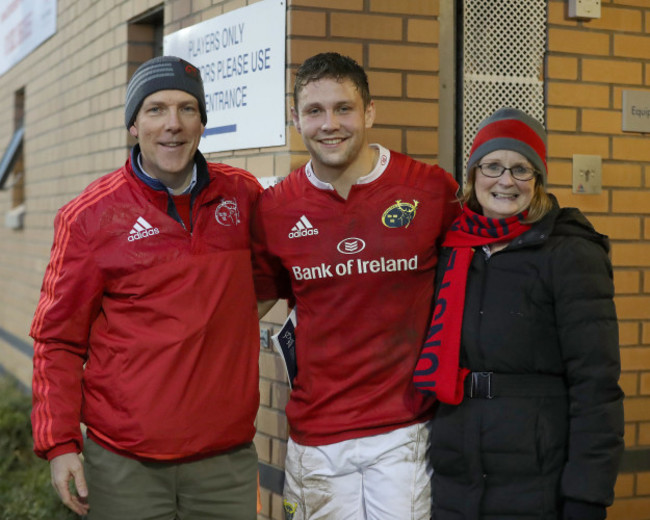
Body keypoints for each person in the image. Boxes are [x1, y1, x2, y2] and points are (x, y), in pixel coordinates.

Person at [30, 56, 262, 519]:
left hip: (225, 464)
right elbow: (58, 339)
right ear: (133, 125)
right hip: (125, 465)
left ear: (202, 123)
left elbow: (272, 282)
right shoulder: (90, 217)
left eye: (186, 109)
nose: (172, 125)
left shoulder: (243, 196)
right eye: (155, 110)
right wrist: (59, 444)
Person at [253, 52, 461, 519]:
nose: (330, 124)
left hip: (405, 431)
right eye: (314, 111)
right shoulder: (275, 209)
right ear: (295, 119)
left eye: (343, 108)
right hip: (317, 435)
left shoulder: (429, 190)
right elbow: (250, 304)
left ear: (369, 111)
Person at [414, 107, 625, 519]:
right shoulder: (453, 249)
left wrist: (587, 494)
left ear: (538, 180)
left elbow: (596, 384)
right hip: (455, 473)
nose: (506, 180)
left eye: (521, 169)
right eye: (492, 166)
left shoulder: (569, 253)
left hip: (536, 478)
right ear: (474, 175)